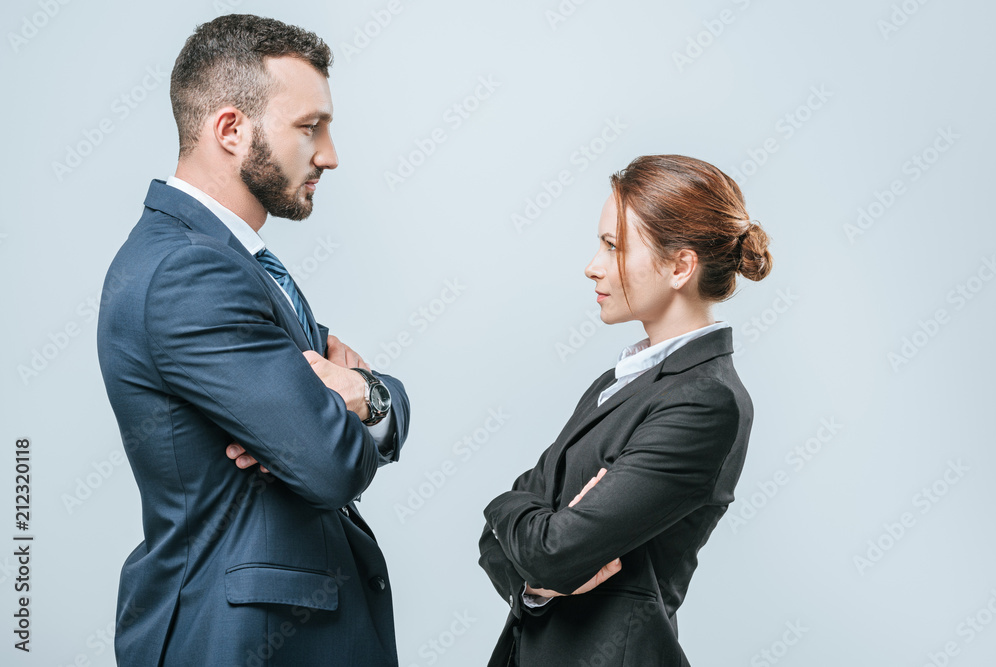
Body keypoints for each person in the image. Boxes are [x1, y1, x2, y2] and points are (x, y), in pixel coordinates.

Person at [96, 15, 409, 666]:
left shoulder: (230, 264)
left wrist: (362, 393)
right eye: (308, 127)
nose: (329, 154)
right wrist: (333, 407)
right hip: (238, 642)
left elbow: (347, 404)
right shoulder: (190, 272)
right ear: (231, 130)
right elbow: (328, 460)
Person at [479, 154, 772, 666]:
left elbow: (550, 551)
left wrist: (508, 510)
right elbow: (499, 547)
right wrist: (539, 582)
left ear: (680, 266)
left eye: (613, 246)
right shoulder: (619, 381)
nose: (592, 265)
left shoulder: (706, 399)